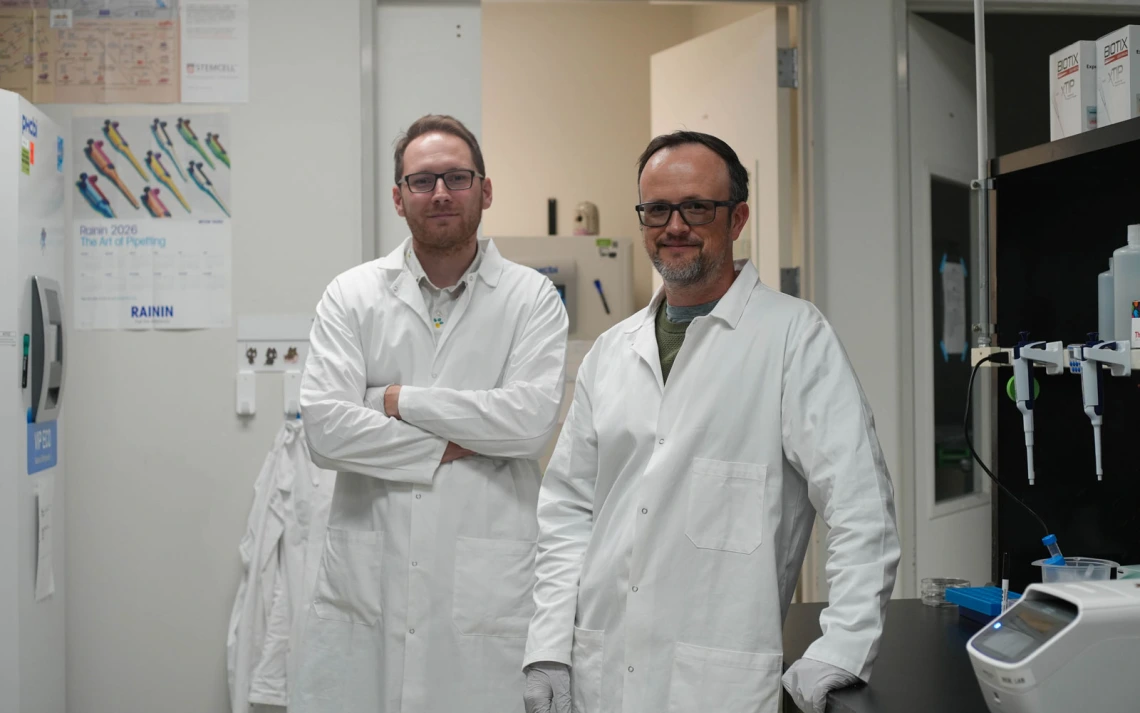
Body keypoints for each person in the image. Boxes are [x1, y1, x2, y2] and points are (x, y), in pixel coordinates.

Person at [522, 131, 900, 713]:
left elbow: (859, 505)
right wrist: (550, 645)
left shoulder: (793, 337)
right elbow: (569, 510)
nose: (675, 225)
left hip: (719, 683)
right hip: (604, 678)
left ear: (737, 217)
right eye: (657, 209)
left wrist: (843, 647)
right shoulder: (610, 352)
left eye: (697, 206)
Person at [293, 114, 569, 713]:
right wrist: (450, 443)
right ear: (399, 198)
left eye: (456, 177)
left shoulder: (531, 298)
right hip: (372, 579)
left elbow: (528, 425)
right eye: (422, 181)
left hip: (486, 590)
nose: (440, 192)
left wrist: (394, 400)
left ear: (485, 190)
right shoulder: (352, 294)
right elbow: (325, 430)